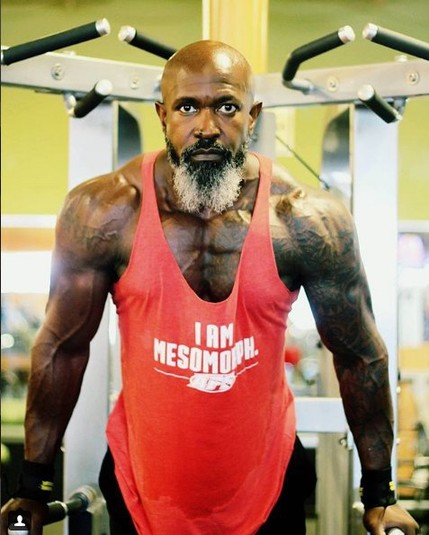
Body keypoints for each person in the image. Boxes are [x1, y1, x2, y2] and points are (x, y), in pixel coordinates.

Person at [1, 40, 420, 535]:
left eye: (225, 107)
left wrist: (380, 495)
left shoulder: (305, 220)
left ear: (252, 115)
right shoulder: (105, 212)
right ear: (162, 116)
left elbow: (359, 355)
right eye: (186, 107)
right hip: (140, 486)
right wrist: (33, 487)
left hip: (269, 484)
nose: (205, 126)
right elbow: (62, 348)